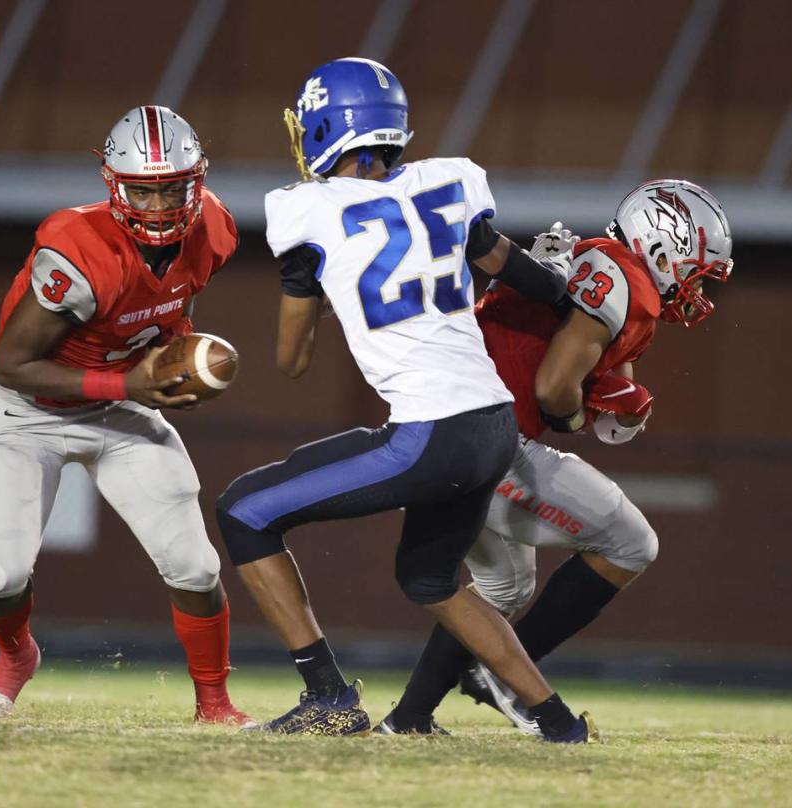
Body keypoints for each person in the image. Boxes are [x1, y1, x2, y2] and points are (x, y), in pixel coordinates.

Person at [215, 57, 596, 741]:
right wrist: (578, 301)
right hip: (494, 425)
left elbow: (291, 362)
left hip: (431, 432)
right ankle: (557, 720)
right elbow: (521, 274)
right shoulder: (447, 185)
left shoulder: (309, 213)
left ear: (330, 128)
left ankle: (328, 695)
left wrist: (330, 296)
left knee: (244, 509)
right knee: (429, 578)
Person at [379, 180, 733, 735]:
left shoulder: (608, 268)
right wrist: (575, 415)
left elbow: (580, 367)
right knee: (631, 542)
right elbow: (552, 389)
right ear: (664, 247)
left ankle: (410, 717)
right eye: (696, 269)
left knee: (502, 591)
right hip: (483, 438)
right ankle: (510, 681)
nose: (696, 287)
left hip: (444, 425)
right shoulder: (626, 284)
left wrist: (609, 397)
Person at [0, 106, 252, 726]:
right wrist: (130, 380)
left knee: (196, 566)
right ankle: (16, 657)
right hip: (27, 411)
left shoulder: (216, 229)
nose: (157, 206)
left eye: (171, 188)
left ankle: (215, 705)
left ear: (196, 182)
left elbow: (173, 301)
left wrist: (174, 348)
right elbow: (12, 364)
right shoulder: (76, 248)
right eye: (144, 191)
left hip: (119, 405)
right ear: (114, 185)